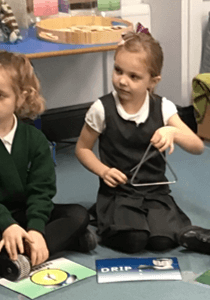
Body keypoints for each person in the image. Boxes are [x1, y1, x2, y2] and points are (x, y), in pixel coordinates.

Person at [0, 50, 96, 284]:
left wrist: (36, 228)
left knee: (79, 214)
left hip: (25, 212)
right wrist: (7, 225)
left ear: (21, 96)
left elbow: (42, 189)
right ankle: (64, 243)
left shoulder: (34, 139)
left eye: (0, 95)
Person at [75, 30, 206, 254]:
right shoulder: (101, 109)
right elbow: (82, 148)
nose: (123, 81)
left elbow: (197, 146)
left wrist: (173, 132)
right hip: (119, 191)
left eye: (134, 77)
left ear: (152, 81)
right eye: (118, 70)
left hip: (154, 191)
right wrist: (104, 171)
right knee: (133, 241)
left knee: (163, 241)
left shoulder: (163, 108)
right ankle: (105, 214)